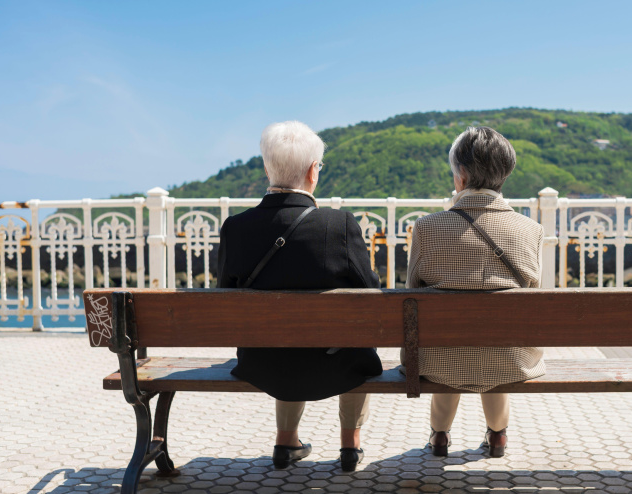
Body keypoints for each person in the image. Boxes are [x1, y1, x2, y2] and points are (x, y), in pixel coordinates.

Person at [217, 120, 383, 472]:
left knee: (283, 339)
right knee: (357, 337)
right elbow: (372, 296)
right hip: (335, 365)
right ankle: (350, 445)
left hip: (262, 364)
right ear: (312, 171)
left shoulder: (236, 228)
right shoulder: (339, 226)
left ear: (267, 170)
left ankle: (286, 441)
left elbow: (224, 299)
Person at [404, 126, 545, 458]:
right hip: (511, 361)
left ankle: (439, 436)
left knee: (450, 346)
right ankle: (498, 436)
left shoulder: (426, 228)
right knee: (494, 344)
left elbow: (412, 295)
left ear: (462, 175)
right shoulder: (531, 231)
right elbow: (532, 299)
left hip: (438, 359)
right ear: (504, 174)